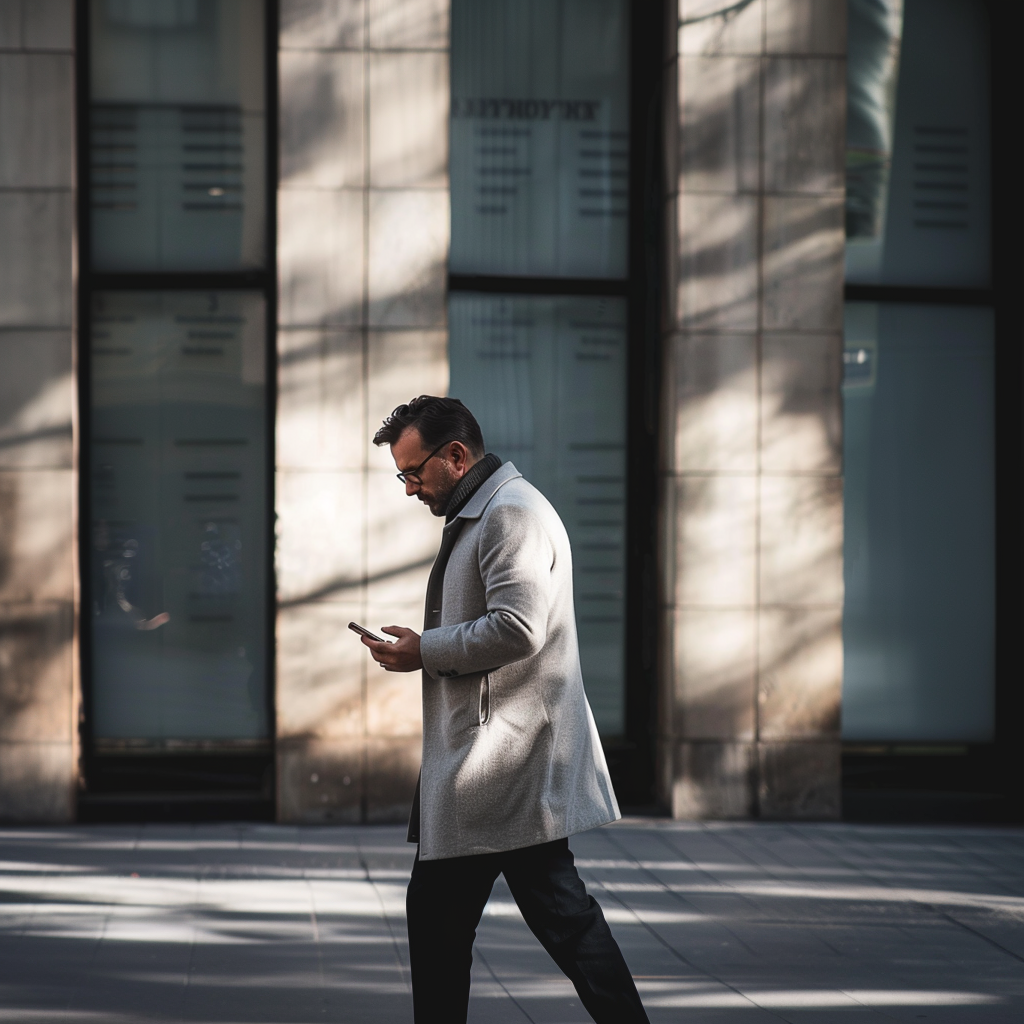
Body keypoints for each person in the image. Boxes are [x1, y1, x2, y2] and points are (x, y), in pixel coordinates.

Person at [359, 395, 650, 1024]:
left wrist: (423, 651)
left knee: (479, 921)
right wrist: (423, 644)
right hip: (498, 765)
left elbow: (518, 629)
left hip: (501, 766)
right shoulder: (489, 509)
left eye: (414, 472)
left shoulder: (509, 515)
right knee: (552, 918)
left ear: (456, 455)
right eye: (401, 475)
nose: (408, 488)